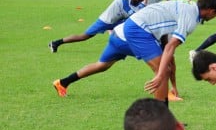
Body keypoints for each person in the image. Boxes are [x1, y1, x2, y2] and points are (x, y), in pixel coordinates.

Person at [122, 0, 216, 103]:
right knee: (163, 72)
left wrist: (174, 86)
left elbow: (169, 51)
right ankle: (160, 116)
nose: (214, 17)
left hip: (140, 26)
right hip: (138, 28)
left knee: (165, 69)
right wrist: (160, 75)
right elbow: (170, 47)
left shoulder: (190, 8)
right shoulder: (191, 17)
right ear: (211, 11)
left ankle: (162, 112)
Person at [51, 23, 179, 100]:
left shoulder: (161, 20)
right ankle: (167, 94)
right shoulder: (170, 28)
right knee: (160, 65)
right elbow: (169, 58)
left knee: (101, 65)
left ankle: (63, 82)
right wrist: (174, 86)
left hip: (117, 35)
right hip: (129, 39)